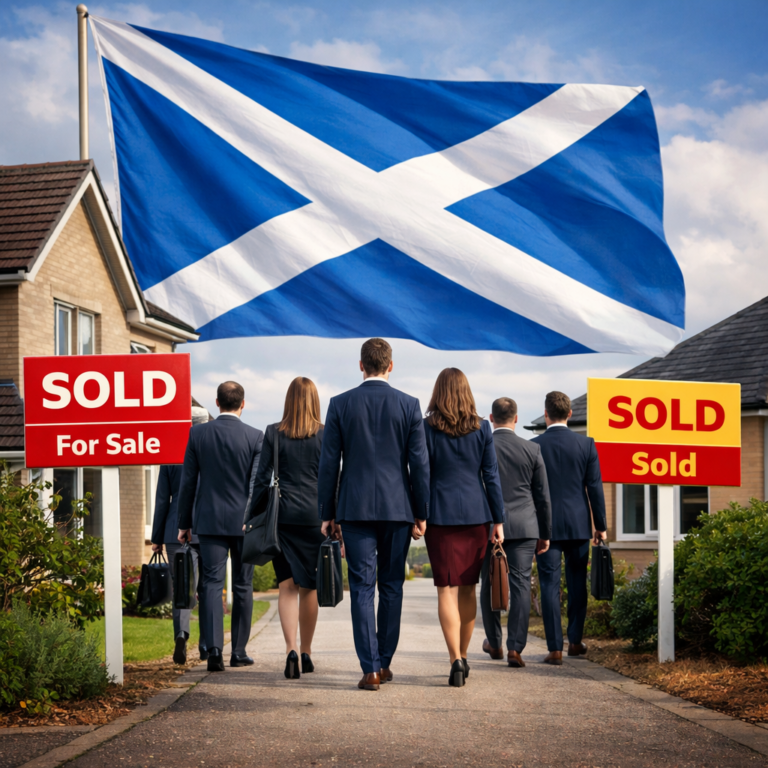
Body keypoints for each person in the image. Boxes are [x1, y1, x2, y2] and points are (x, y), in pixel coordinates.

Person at [317, 338, 430, 691]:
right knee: (392, 585)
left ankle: (370, 669)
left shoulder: (340, 404)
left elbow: (329, 464)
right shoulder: (409, 405)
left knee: (362, 587)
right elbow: (420, 464)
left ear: (361, 365)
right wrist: (422, 512)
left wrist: (327, 512)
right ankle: (384, 660)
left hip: (355, 508)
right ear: (390, 366)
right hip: (398, 508)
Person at [422, 369, 505, 687]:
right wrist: (498, 520)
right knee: (469, 587)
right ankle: (465, 655)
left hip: (438, 515)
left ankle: (454, 658)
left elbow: (421, 473)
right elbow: (491, 475)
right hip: (476, 515)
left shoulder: (426, 427)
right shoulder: (483, 427)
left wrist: (419, 513)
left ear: (438, 392)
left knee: (446, 588)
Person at [177, 381, 264, 672]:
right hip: (244, 524)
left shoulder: (198, 434)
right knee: (243, 585)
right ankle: (238, 652)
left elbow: (188, 483)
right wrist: (252, 518)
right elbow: (256, 485)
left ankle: (214, 651)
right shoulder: (255, 436)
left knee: (211, 584)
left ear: (217, 402)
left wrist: (183, 524)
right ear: (243, 404)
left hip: (209, 521)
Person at [244, 377, 326, 681]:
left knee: (287, 586)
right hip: (316, 519)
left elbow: (261, 479)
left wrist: (251, 516)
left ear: (288, 400)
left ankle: (290, 650)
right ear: (315, 400)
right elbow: (332, 478)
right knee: (310, 588)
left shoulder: (273, 433)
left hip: (282, 520)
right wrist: (335, 518)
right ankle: (306, 652)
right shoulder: (325, 434)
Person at [531, 391, 607, 665]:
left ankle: (555, 649)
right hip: (578, 525)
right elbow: (595, 487)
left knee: (549, 585)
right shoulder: (586, 444)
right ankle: (574, 641)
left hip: (546, 528)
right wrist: (601, 526)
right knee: (577, 584)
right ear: (570, 414)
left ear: (546, 413)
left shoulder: (534, 446)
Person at [480, 397, 551, 668]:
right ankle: (515, 648)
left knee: (489, 583)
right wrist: (545, 533)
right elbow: (542, 496)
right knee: (521, 584)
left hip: (488, 526)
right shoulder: (532, 449)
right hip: (524, 527)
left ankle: (494, 643)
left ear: (491, 418)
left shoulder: (482, 445)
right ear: (517, 419)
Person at [150, 405, 211, 665]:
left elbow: (162, 499)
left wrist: (156, 537)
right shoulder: (211, 452)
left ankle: (181, 634)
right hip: (208, 528)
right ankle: (207, 646)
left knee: (183, 588)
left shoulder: (171, 454)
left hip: (175, 531)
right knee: (208, 589)